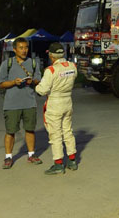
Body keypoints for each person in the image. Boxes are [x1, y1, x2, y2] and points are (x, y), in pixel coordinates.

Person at [0, 38, 42, 169]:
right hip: (11, 104)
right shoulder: (7, 64)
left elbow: (38, 80)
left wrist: (32, 81)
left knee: (30, 130)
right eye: (21, 48)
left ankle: (31, 155)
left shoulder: (33, 63)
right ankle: (8, 157)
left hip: (29, 103)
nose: (24, 50)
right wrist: (13, 82)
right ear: (15, 49)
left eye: (26, 47)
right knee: (10, 131)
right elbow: (1, 83)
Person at [35, 42, 78, 175]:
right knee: (68, 131)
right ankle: (72, 160)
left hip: (55, 103)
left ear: (52, 56)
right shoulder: (72, 66)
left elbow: (42, 90)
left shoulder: (51, 70)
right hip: (68, 101)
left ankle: (58, 164)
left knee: (55, 134)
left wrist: (36, 87)